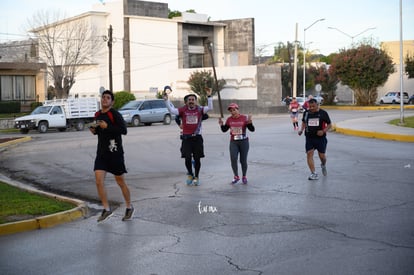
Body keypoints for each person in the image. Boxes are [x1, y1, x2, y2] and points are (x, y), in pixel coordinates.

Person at [89, 90, 134, 222]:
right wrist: (94, 130)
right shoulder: (97, 115)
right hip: (102, 153)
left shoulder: (115, 114)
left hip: (115, 153)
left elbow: (123, 130)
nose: (104, 100)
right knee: (98, 181)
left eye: (108, 98)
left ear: (112, 102)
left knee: (120, 182)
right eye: (103, 97)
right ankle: (106, 209)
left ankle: (129, 206)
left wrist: (107, 126)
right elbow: (98, 131)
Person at [164, 89, 213, 186]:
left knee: (197, 158)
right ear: (186, 102)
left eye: (193, 99)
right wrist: (166, 100)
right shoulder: (183, 110)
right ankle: (190, 174)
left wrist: (209, 96)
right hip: (186, 138)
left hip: (197, 138)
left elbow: (210, 107)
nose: (191, 101)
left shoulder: (200, 109)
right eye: (189, 100)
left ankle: (197, 176)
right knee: (187, 158)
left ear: (195, 101)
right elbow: (172, 110)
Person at [219, 103, 255, 184]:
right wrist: (221, 125)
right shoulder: (229, 119)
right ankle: (236, 176)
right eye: (231, 111)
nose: (233, 112)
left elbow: (252, 129)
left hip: (244, 142)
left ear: (238, 110)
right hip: (234, 142)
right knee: (233, 159)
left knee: (243, 160)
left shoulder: (244, 118)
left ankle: (244, 176)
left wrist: (250, 123)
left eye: (234, 110)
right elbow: (224, 130)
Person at [298, 98, 332, 180]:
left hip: (320, 138)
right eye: (310, 106)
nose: (312, 108)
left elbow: (330, 125)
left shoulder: (323, 113)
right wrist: (301, 130)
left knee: (322, 156)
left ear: (317, 105)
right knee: (309, 153)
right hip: (309, 137)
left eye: (313, 106)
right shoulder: (306, 113)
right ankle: (313, 173)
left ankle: (323, 164)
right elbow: (304, 122)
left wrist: (323, 131)